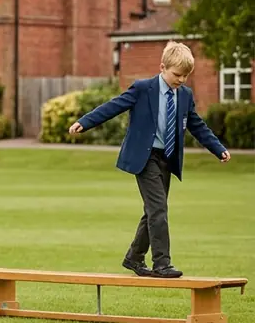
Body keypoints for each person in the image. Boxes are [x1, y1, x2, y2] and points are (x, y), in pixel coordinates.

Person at [70, 41, 230, 278]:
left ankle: (134, 257)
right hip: (144, 158)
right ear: (162, 67)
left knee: (153, 211)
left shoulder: (184, 95)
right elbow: (114, 106)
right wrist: (85, 122)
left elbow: (196, 124)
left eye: (186, 75)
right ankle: (161, 264)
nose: (182, 80)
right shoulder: (143, 88)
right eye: (177, 74)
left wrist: (218, 148)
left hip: (167, 158)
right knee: (158, 210)